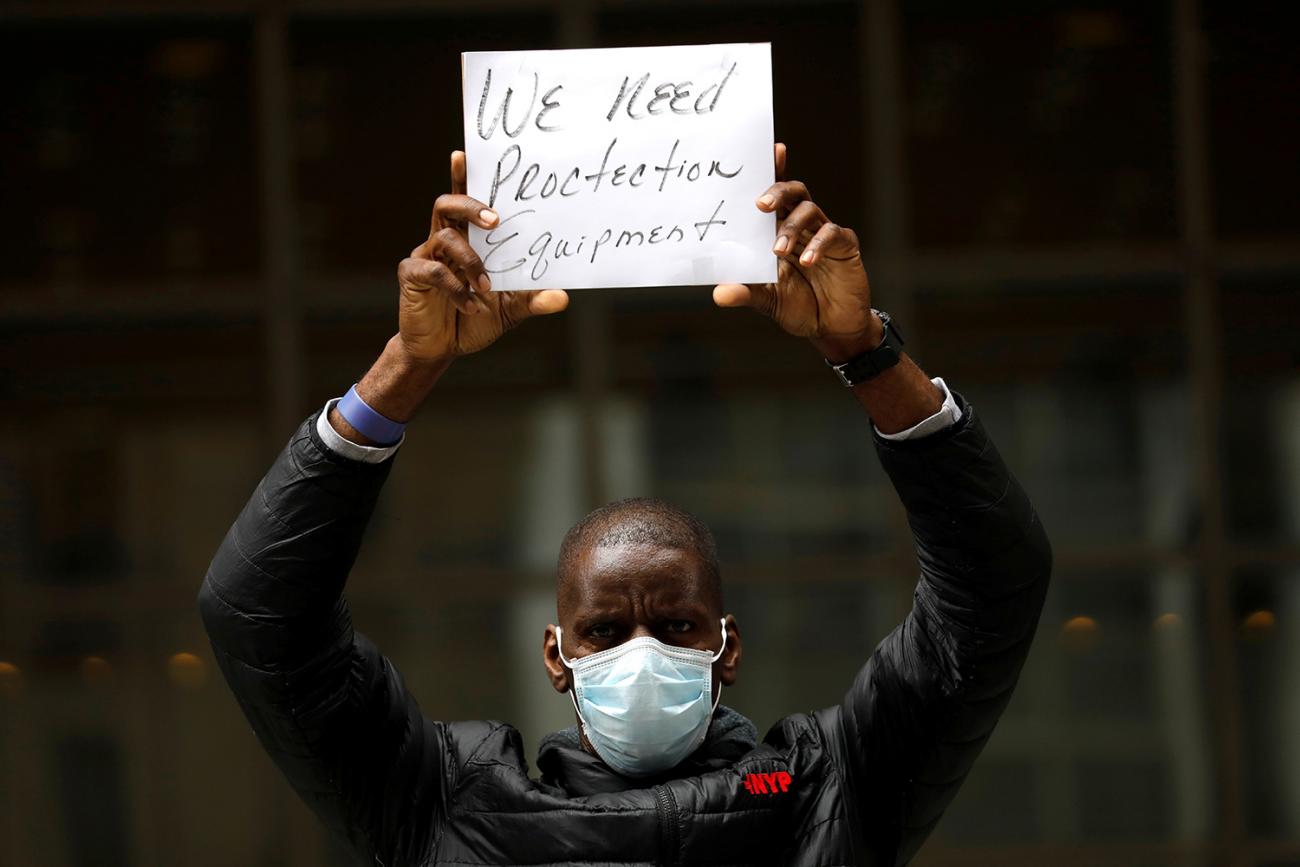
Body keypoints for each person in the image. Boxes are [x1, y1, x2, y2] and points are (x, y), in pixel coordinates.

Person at [200, 144, 1052, 867]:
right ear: (555, 654)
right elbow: (261, 619)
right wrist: (406, 367)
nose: (641, 655)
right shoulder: (444, 805)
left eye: (677, 624)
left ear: (727, 647)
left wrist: (864, 351)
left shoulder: (829, 790)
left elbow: (990, 586)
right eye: (605, 630)